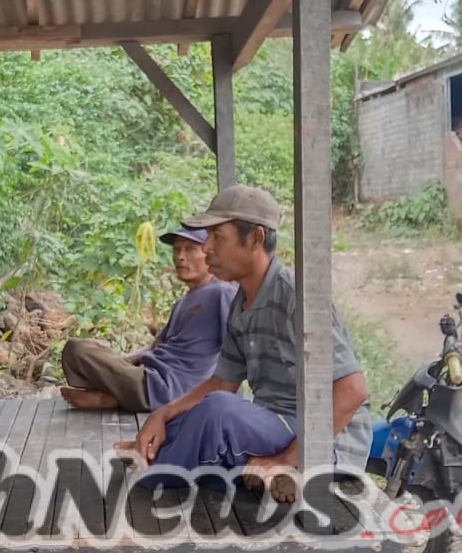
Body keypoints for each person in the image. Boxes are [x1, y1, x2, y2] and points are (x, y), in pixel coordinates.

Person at [116, 186, 372, 501]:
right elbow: (223, 382)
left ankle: (154, 470)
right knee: (197, 413)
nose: (206, 247)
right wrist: (162, 416)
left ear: (255, 239)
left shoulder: (296, 297)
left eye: (217, 236)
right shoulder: (242, 303)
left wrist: (288, 457)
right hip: (276, 422)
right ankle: (171, 455)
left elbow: (352, 391)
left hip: (326, 443)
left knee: (218, 412)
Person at [60, 224, 236, 413]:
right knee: (78, 349)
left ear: (209, 253)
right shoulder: (183, 302)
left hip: (169, 390)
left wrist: (223, 395)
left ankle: (114, 396)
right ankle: (114, 395)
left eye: (190, 249)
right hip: (146, 374)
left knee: (78, 349)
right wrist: (119, 360)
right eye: (176, 249)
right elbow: (155, 346)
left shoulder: (222, 293)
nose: (180, 256)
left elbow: (238, 350)